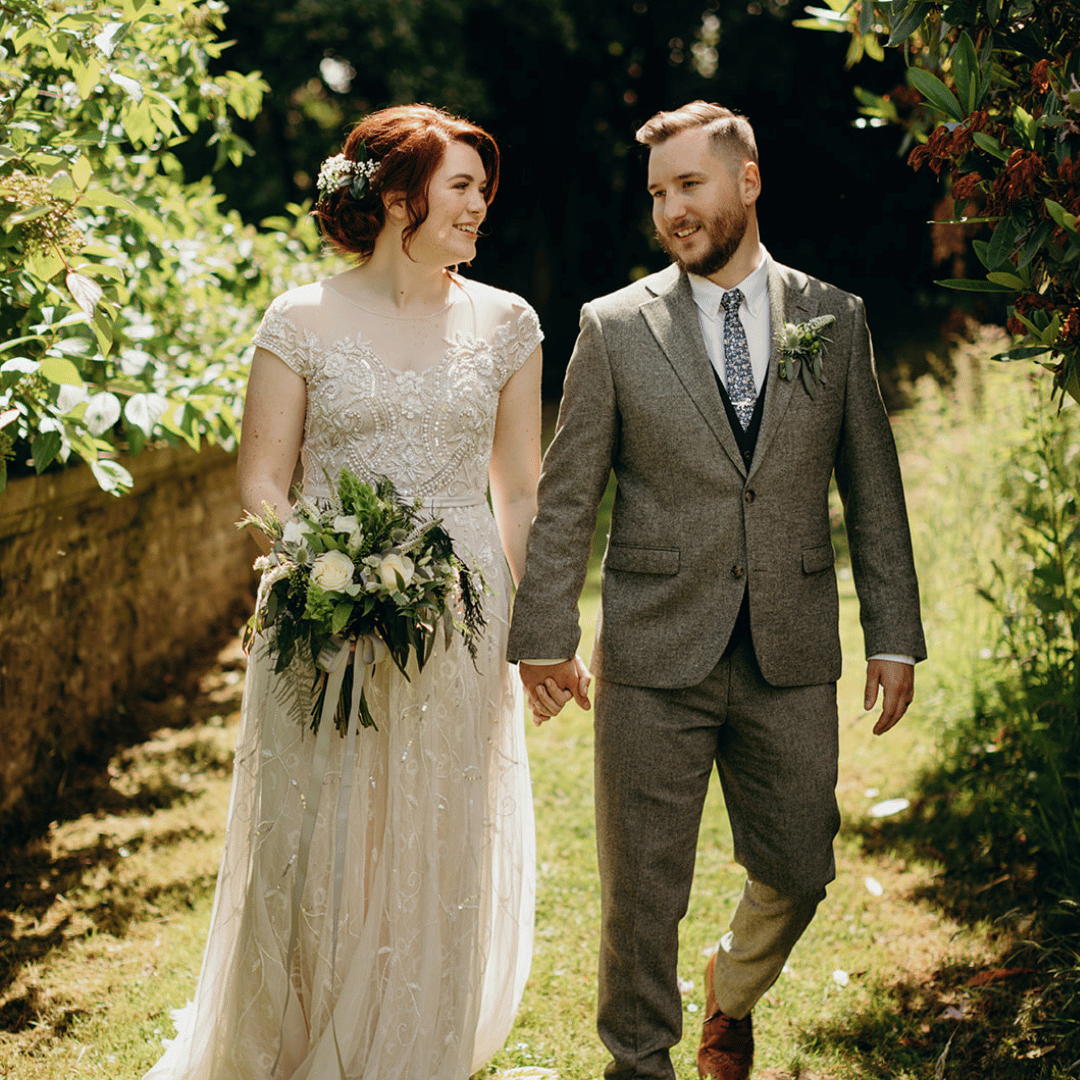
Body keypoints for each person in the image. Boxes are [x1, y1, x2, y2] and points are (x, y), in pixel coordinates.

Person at [507, 101, 926, 1080]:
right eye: (658, 194)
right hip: (654, 649)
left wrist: (893, 635)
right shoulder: (614, 329)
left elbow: (873, 488)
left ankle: (729, 990)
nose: (672, 211)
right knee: (640, 889)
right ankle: (639, 1064)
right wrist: (543, 631)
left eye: (689, 185)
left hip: (789, 644)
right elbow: (568, 499)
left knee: (800, 866)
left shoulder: (835, 315)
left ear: (747, 181)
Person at [145, 104, 542, 1080]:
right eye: (461, 187)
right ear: (398, 199)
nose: (479, 205)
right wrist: (335, 567)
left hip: (459, 618)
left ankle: (412, 1049)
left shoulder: (508, 323)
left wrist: (535, 626)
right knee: (322, 835)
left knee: (433, 837)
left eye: (482, 191)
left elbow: (521, 488)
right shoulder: (300, 319)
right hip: (320, 614)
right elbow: (262, 482)